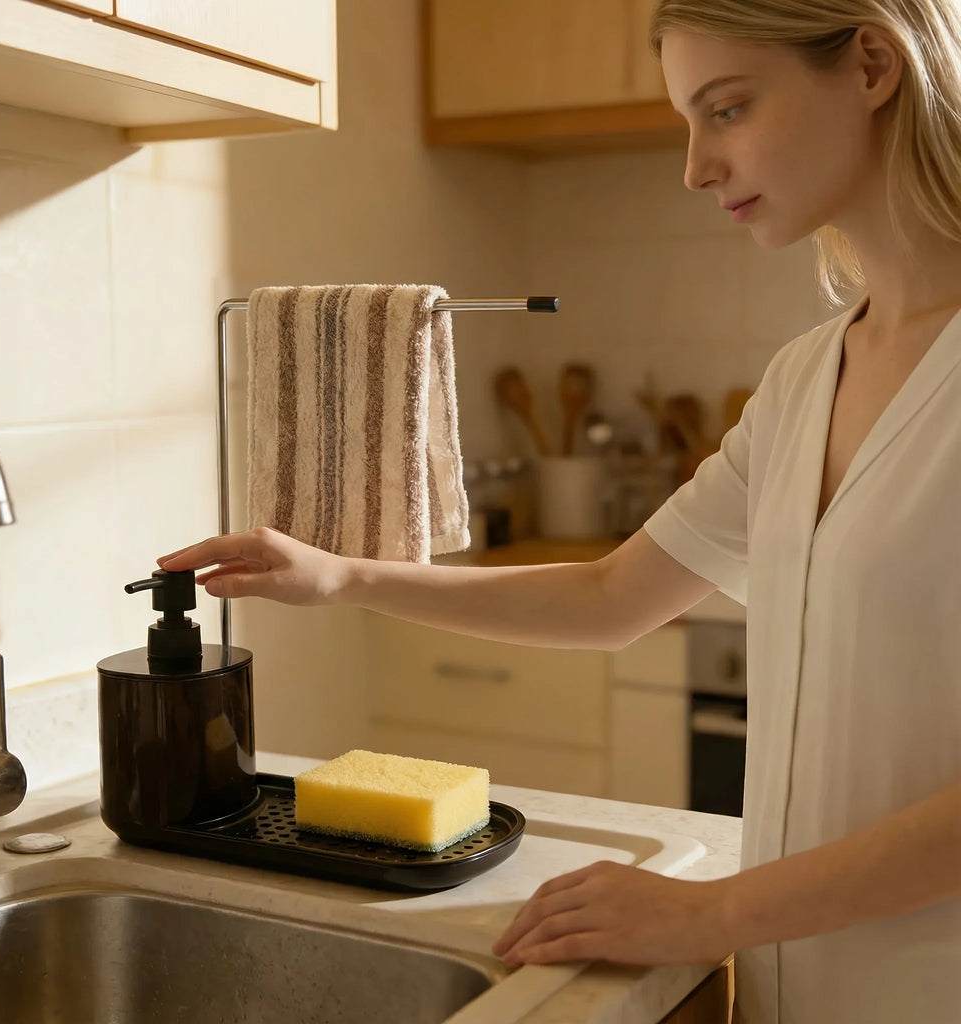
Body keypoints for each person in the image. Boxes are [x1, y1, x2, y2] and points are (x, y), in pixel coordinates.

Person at [158, 1, 961, 1020]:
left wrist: (710, 913)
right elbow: (614, 595)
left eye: (727, 109)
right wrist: (343, 576)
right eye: (688, 120)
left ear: (873, 66)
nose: (694, 166)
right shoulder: (806, 378)